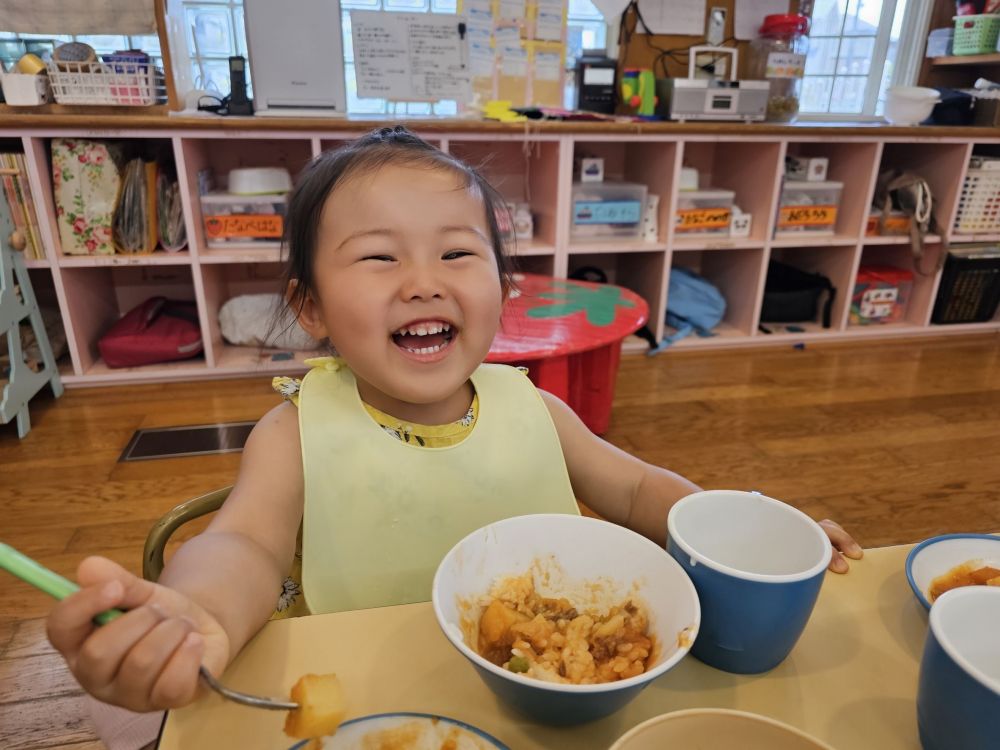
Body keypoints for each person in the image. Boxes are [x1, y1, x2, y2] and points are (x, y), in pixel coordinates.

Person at [47, 127, 862, 742]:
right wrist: (196, 609)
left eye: (456, 253)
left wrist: (740, 535)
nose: (423, 282)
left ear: (504, 288)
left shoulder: (533, 408)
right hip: (376, 706)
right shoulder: (295, 432)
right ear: (312, 308)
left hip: (542, 710)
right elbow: (245, 547)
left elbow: (640, 488)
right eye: (377, 258)